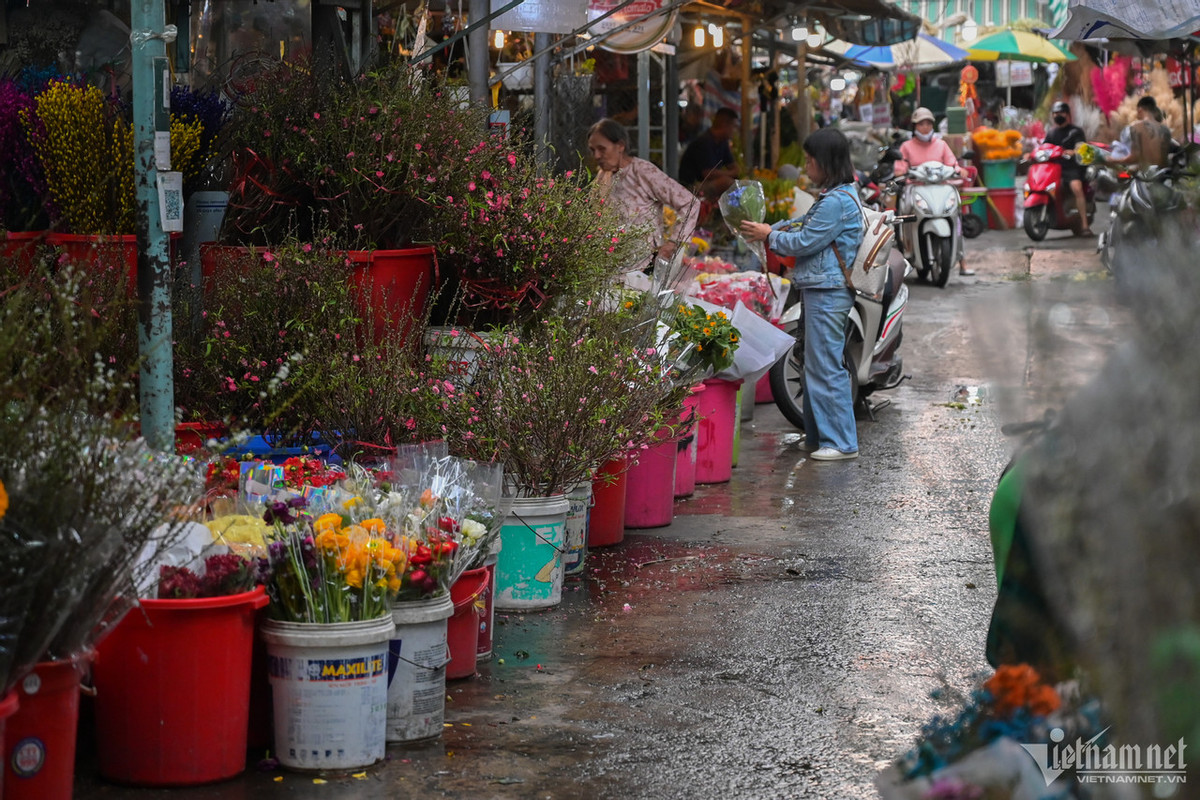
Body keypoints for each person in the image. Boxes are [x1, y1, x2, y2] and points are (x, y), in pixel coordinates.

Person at [738, 128, 862, 462]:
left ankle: (842, 442)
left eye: (809, 160)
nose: (806, 165)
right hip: (820, 289)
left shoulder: (837, 202)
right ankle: (822, 435)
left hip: (829, 292)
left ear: (825, 161)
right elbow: (801, 224)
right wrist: (771, 229)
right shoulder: (837, 195)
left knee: (825, 366)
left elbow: (804, 241)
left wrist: (770, 235)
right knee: (813, 364)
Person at [587, 118, 701, 268]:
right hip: (609, 266)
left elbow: (689, 202)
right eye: (593, 150)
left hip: (643, 266)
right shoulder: (603, 176)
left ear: (620, 146)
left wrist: (674, 241)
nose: (596, 156)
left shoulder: (642, 171)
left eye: (602, 149)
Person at [894, 107, 975, 276]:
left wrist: (959, 170)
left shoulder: (941, 145)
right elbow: (900, 168)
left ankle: (962, 260)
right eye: (921, 124)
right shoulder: (906, 147)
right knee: (906, 214)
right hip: (916, 189)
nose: (925, 127)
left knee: (956, 215)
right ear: (915, 126)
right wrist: (901, 173)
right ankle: (907, 250)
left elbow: (953, 164)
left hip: (941, 189)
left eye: (928, 124)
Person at [1043, 101, 1092, 237]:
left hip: (1070, 168)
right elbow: (1044, 147)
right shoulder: (1051, 133)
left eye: (1061, 113)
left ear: (1068, 115)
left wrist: (1073, 152)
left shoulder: (1075, 132)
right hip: (1054, 169)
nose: (1058, 115)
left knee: (1076, 187)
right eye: (1055, 113)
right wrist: (1032, 153)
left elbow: (1081, 148)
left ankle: (1084, 225)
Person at [678, 107, 739, 198]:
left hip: (707, 183)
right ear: (724, 124)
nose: (734, 131)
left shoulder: (723, 142)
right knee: (727, 183)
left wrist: (730, 173)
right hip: (690, 188)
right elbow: (709, 174)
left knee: (732, 182)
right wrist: (730, 174)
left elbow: (735, 168)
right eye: (733, 126)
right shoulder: (704, 142)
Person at [1112, 96, 1173, 171]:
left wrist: (1111, 160)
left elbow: (1134, 157)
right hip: (1162, 175)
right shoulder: (1165, 130)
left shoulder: (1136, 127)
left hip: (1145, 177)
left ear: (1140, 110)